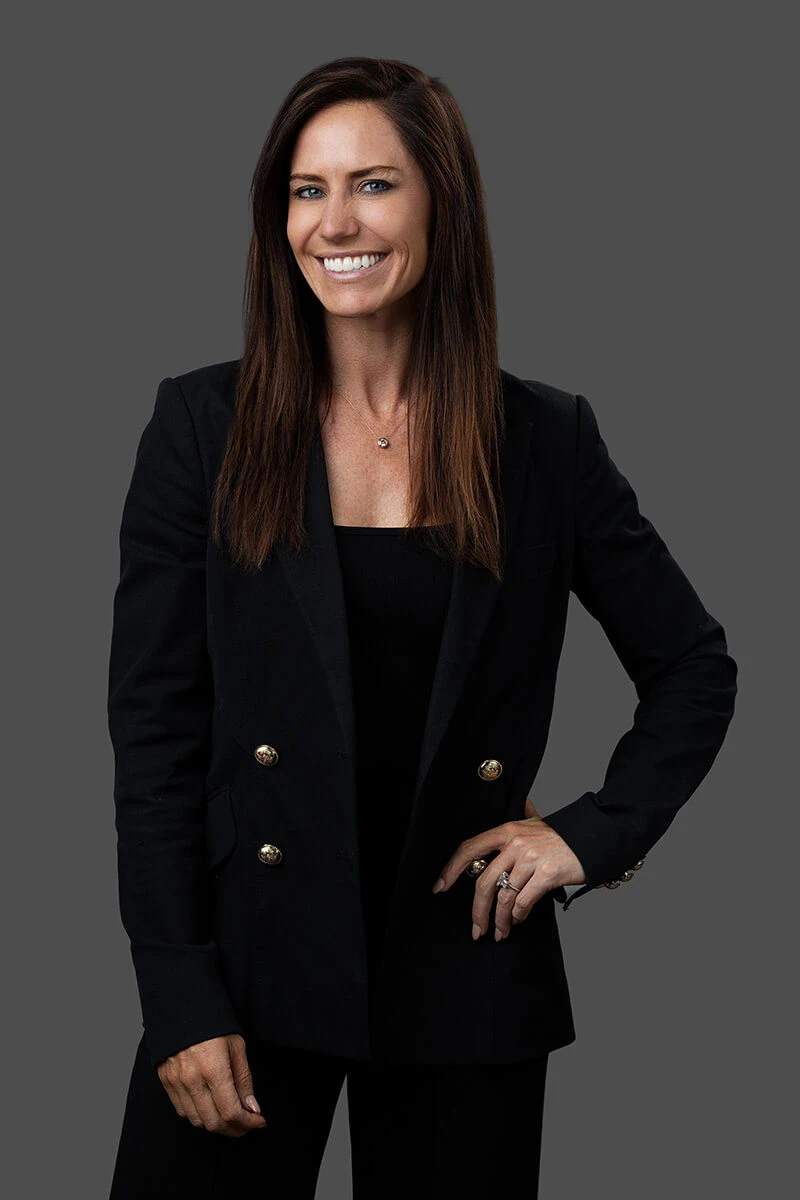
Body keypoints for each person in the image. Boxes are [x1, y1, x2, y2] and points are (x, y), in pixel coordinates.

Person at [107, 56, 738, 1198]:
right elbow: (152, 735)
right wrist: (176, 991)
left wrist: (588, 839)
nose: (334, 222)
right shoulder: (202, 426)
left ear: (440, 200)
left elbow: (691, 666)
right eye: (305, 190)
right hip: (249, 975)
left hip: (465, 973)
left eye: (373, 185)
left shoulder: (542, 440)